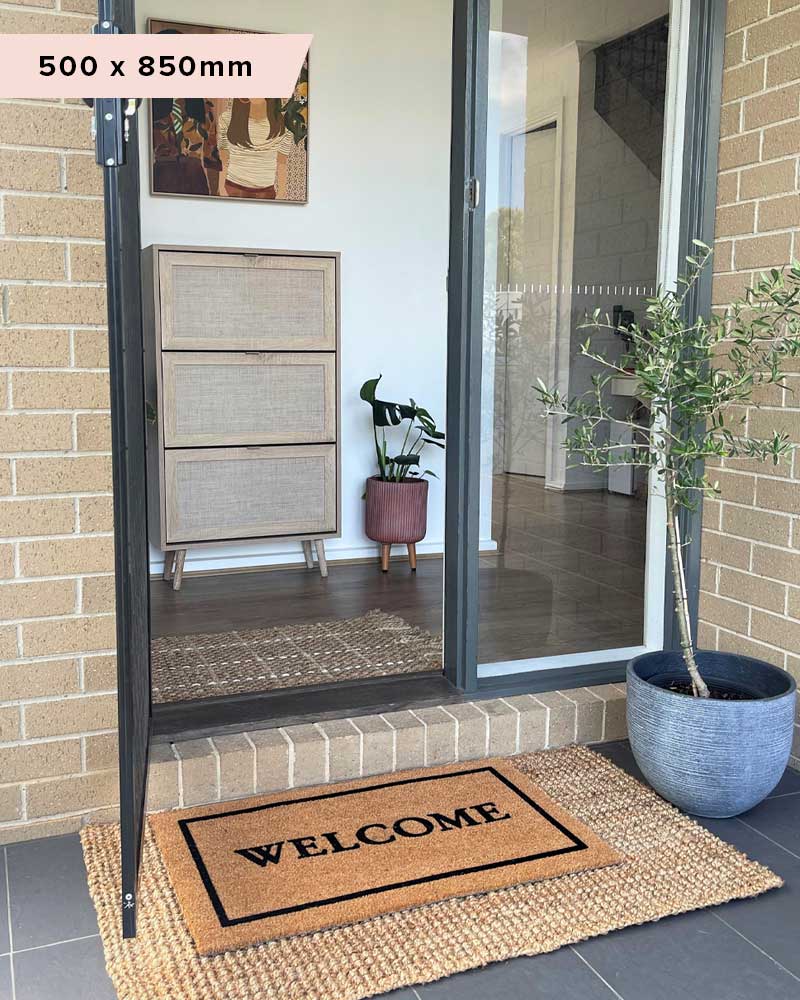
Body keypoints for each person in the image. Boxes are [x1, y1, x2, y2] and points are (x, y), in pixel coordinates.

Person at [218, 98, 294, 200]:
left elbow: (282, 162)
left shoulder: (285, 123)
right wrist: (221, 189)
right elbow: (223, 158)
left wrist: (281, 193)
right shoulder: (226, 118)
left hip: (266, 191)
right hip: (233, 188)